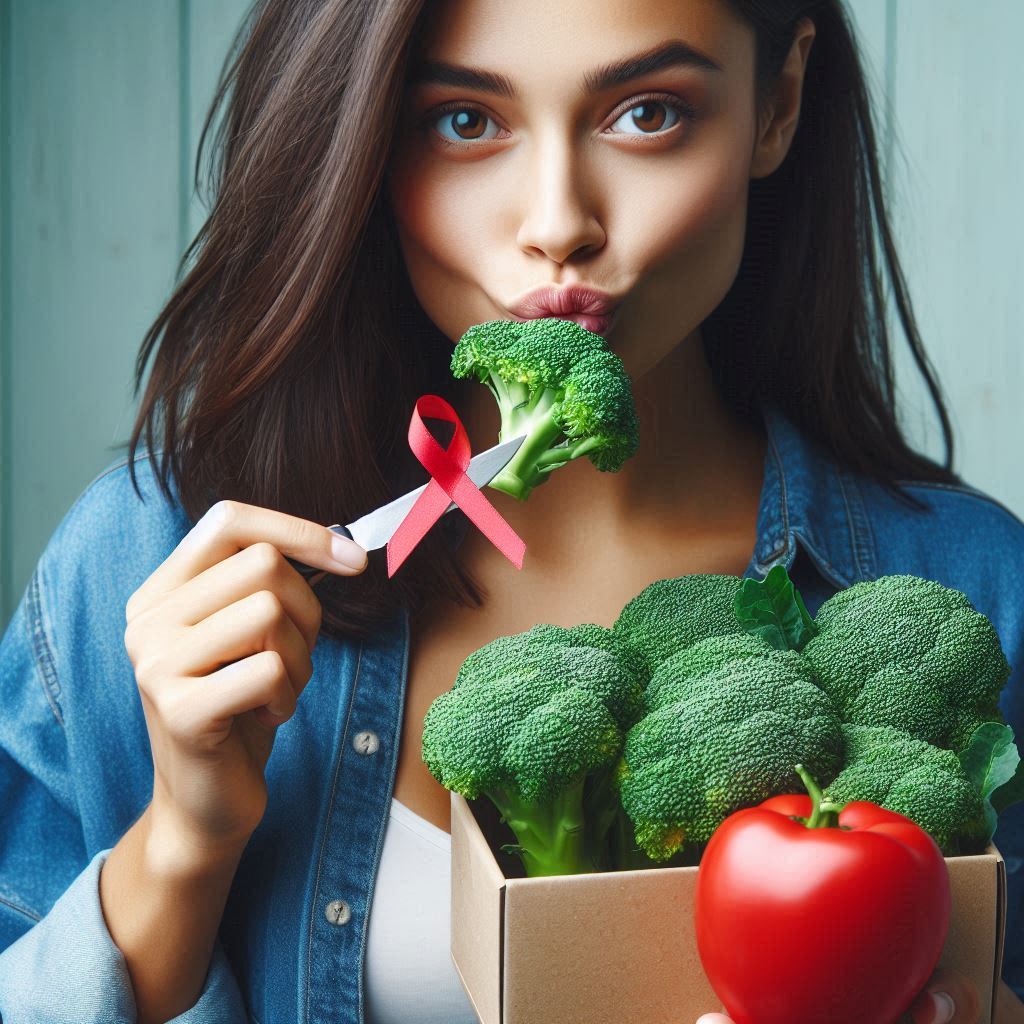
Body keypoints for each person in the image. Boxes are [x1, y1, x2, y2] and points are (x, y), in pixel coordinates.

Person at [0, 0, 1021, 1021]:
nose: (556, 223)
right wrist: (181, 846)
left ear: (777, 103)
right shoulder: (142, 562)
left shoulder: (974, 599)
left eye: (649, 112)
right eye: (464, 121)